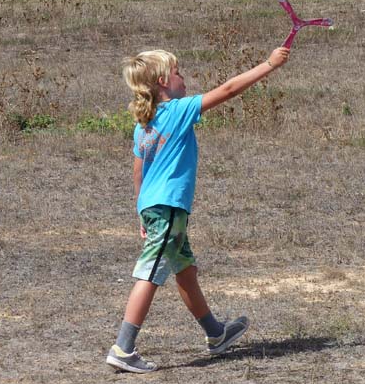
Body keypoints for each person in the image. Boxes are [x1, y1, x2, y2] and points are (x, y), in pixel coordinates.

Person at [106, 47, 290, 373]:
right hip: (168, 210)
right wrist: (268, 65)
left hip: (157, 209)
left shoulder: (144, 124)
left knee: (186, 272)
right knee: (150, 274)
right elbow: (228, 90)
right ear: (163, 81)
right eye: (178, 72)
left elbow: (139, 171)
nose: (183, 77)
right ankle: (123, 347)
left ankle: (216, 333)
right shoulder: (177, 111)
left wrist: (141, 211)